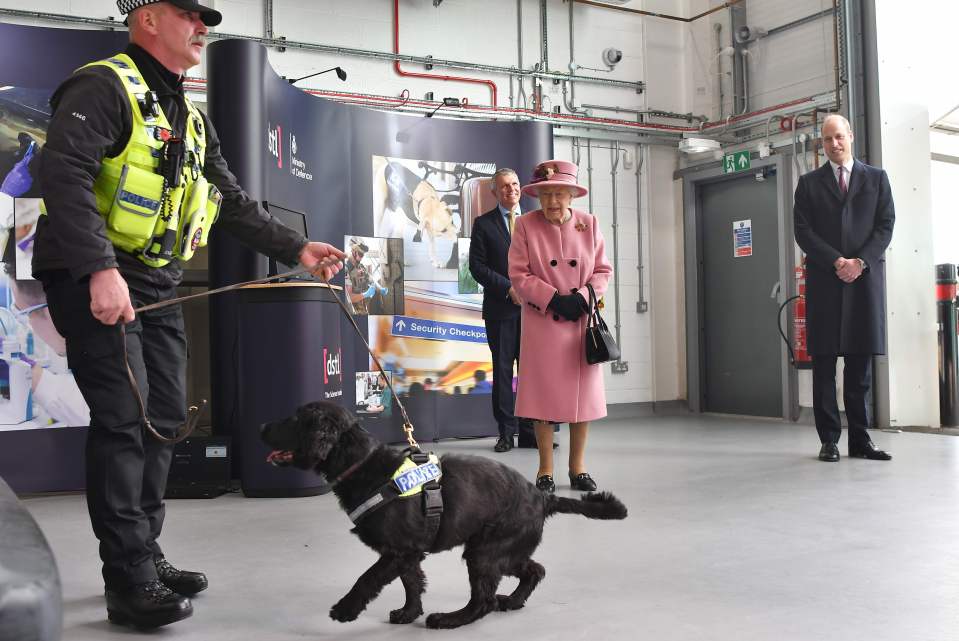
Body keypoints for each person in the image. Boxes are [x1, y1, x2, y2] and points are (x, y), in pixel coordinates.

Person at [32, 0, 345, 630]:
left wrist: (297, 247)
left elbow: (228, 200)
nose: (203, 27)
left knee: (164, 419)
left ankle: (142, 551)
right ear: (148, 18)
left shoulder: (190, 119)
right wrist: (99, 269)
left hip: (157, 282)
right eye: (190, 14)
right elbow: (62, 176)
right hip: (98, 277)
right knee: (124, 420)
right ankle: (127, 577)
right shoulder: (102, 86)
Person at [793, 114, 895, 463]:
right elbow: (803, 232)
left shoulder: (877, 179)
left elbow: (885, 226)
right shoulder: (808, 184)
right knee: (823, 365)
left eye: (838, 137)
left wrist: (860, 262)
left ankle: (861, 440)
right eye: (826, 140)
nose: (833, 144)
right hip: (826, 282)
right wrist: (837, 261)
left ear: (850, 136)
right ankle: (829, 441)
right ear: (821, 144)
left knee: (859, 366)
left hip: (863, 282)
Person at [508, 160, 612, 493]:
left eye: (559, 194)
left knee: (581, 403)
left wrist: (584, 297)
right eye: (546, 194)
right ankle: (545, 471)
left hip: (580, 322)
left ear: (571, 195)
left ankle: (578, 469)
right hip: (543, 323)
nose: (552, 201)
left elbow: (602, 270)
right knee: (543, 400)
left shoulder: (590, 224)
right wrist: (552, 299)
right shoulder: (525, 225)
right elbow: (519, 274)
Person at [468, 168, 538, 452]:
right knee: (504, 372)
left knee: (532, 373)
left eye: (515, 185)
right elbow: (477, 267)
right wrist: (508, 287)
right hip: (500, 310)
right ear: (494, 192)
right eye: (504, 187)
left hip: (533, 311)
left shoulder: (534, 222)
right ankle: (506, 434)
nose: (511, 190)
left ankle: (530, 433)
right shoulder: (483, 224)